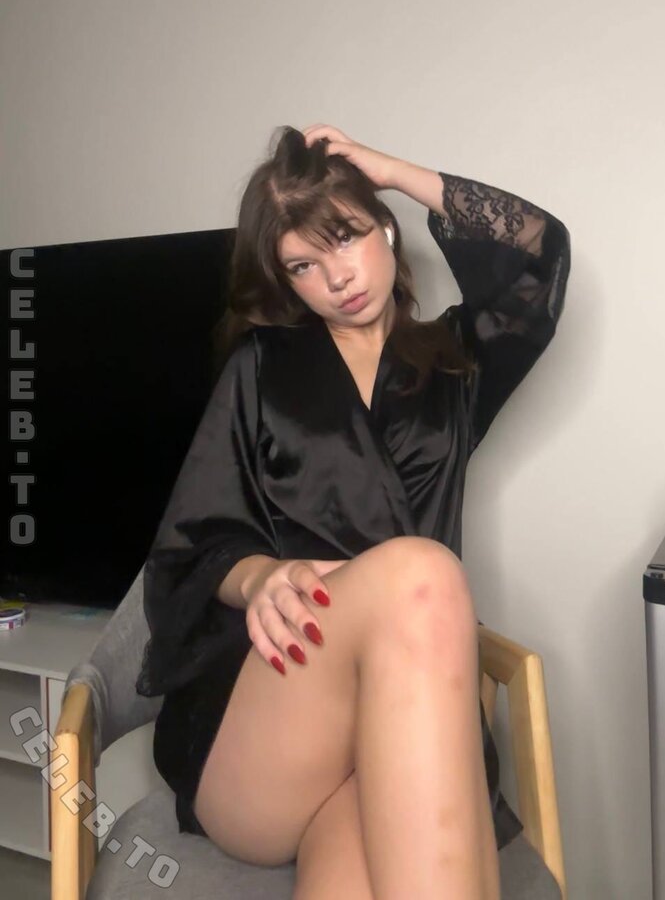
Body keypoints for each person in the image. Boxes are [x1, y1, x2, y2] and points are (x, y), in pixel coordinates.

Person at [135, 124, 571, 900]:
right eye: (303, 265)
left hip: (410, 711)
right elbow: (190, 544)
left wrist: (391, 170)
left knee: (367, 870)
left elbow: (542, 251)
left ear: (386, 230)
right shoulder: (262, 367)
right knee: (423, 575)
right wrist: (258, 578)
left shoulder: (456, 362)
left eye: (346, 236)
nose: (336, 277)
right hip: (277, 707)